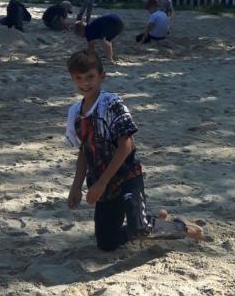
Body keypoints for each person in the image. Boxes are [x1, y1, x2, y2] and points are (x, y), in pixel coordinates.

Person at [65, 49, 203, 252]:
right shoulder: (75, 113)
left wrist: (101, 183)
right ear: (72, 79)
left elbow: (127, 145)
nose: (85, 83)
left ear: (102, 76)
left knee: (138, 226)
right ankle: (158, 222)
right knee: (107, 243)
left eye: (90, 77)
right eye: (79, 78)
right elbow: (84, 152)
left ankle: (183, 227)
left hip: (127, 176)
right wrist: (76, 186)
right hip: (104, 184)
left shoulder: (112, 103)